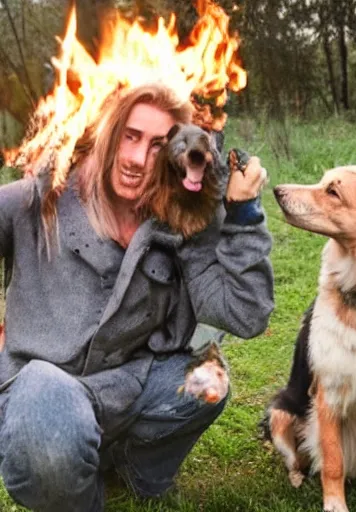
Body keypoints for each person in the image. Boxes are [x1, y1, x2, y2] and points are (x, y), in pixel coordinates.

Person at [0, 82, 274, 512]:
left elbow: (246, 314)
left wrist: (243, 214)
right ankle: (78, 490)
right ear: (110, 135)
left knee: (209, 380)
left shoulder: (180, 221)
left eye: (157, 144)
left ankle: (131, 468)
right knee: (47, 417)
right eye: (130, 136)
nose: (135, 159)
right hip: (44, 392)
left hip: (123, 389)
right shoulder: (42, 197)